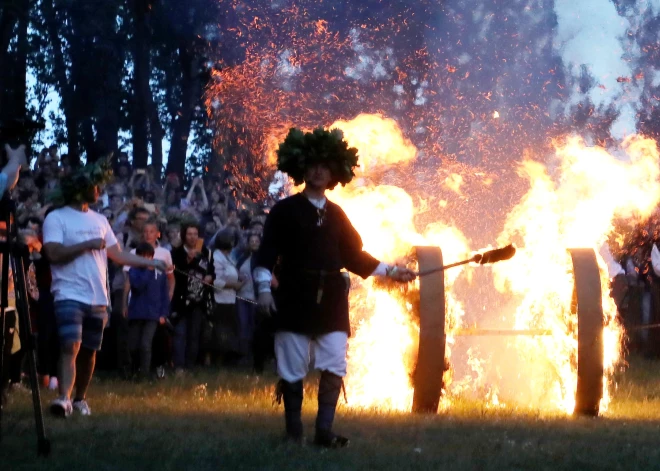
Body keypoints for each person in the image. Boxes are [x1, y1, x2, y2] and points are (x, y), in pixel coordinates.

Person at [253, 128, 416, 447]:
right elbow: (267, 252)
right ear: (303, 169)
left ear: (333, 173)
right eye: (312, 165)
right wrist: (262, 289)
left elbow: (353, 256)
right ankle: (294, 431)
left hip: (330, 299)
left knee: (334, 362)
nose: (317, 170)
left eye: (324, 166)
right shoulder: (284, 211)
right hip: (294, 295)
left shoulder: (338, 214)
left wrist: (391, 271)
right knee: (291, 366)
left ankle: (324, 431)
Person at [43, 159, 170, 418]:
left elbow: (119, 255)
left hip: (97, 296)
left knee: (89, 351)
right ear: (80, 188)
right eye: (94, 186)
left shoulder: (100, 219)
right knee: (71, 345)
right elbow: (53, 254)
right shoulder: (56, 217)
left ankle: (80, 399)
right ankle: (63, 399)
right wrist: (86, 244)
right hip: (68, 292)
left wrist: (151, 261)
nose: (99, 190)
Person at [170, 222, 212, 373]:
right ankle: (179, 366)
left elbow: (211, 270)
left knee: (194, 335)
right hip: (181, 299)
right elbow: (174, 271)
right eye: (189, 234)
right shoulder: (177, 252)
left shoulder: (205, 251)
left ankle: (190, 366)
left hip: (199, 300)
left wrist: (209, 276)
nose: (193, 237)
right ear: (184, 235)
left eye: (195, 234)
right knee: (180, 333)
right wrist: (188, 260)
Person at [127, 242, 170, 379]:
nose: (146, 259)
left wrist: (164, 313)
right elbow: (138, 286)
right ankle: (134, 370)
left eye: (148, 256)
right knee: (133, 346)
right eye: (142, 256)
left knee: (146, 344)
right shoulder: (133, 271)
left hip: (153, 315)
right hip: (136, 313)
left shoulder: (160, 273)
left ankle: (144, 375)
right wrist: (148, 271)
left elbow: (164, 294)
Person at [210, 230, 244, 365]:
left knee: (229, 331)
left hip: (230, 300)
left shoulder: (230, 257)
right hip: (219, 300)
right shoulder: (216, 257)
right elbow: (215, 281)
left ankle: (228, 359)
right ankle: (217, 360)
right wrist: (234, 285)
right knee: (220, 331)